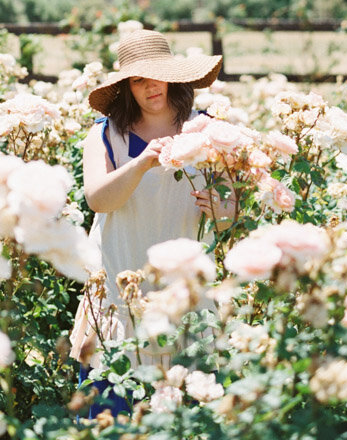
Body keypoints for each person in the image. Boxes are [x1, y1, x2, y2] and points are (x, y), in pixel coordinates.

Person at [70, 28, 231, 407]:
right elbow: (98, 199)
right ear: (126, 87)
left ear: (173, 76)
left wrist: (222, 209)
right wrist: (141, 164)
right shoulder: (107, 135)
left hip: (185, 297)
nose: (149, 86)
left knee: (186, 417)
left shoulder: (206, 130)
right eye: (137, 79)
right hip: (119, 290)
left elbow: (229, 217)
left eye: (155, 74)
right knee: (114, 416)